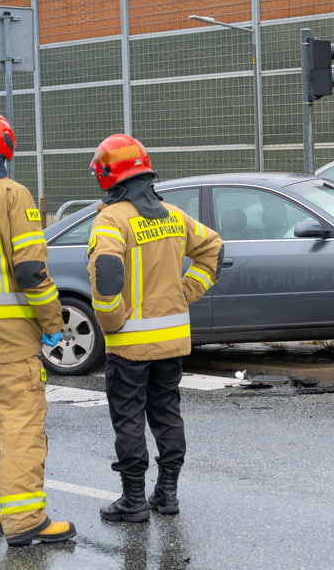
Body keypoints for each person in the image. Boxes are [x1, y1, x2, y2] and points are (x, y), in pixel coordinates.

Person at [87, 134, 223, 522]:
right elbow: (214, 249)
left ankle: (132, 500)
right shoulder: (173, 215)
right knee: (167, 414)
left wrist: (113, 322)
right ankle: (166, 494)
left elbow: (108, 273)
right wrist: (186, 291)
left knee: (129, 418)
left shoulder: (111, 219)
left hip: (129, 346)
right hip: (171, 342)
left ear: (109, 177)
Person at [0, 114, 76, 546]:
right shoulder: (12, 195)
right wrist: (52, 322)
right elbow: (30, 269)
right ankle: (25, 519)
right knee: (19, 425)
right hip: (8, 340)